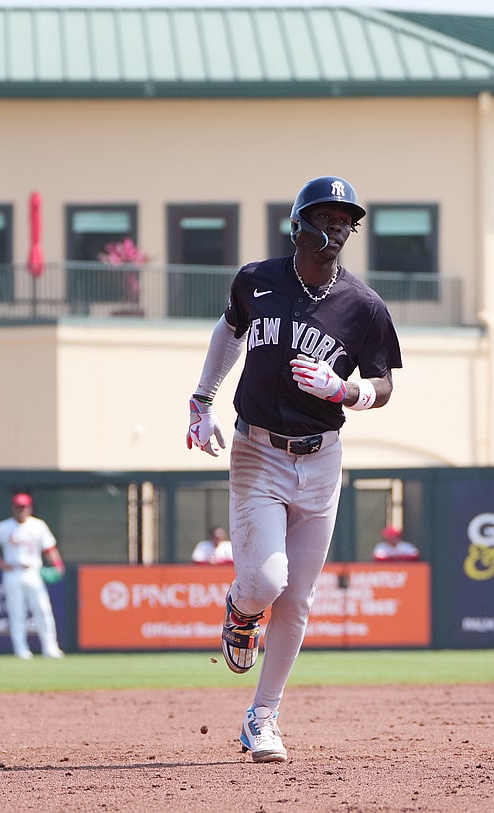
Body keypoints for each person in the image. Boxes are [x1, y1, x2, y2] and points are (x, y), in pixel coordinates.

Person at [186, 175, 402, 763]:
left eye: (345, 219)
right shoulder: (256, 280)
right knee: (266, 582)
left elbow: (384, 386)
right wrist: (202, 400)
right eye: (326, 215)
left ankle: (263, 717)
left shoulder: (363, 306)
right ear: (298, 223)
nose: (337, 227)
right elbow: (230, 331)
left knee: (299, 599)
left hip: (323, 457)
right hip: (257, 449)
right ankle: (241, 610)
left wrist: (346, 391)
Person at [0, 493, 66, 660]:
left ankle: (50, 647)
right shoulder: (4, 527)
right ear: (13, 508)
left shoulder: (38, 525)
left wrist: (58, 565)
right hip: (13, 572)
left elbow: (49, 548)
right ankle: (21, 649)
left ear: (30, 508)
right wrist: (0, 563)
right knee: (17, 612)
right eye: (18, 507)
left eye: (24, 507)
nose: (21, 510)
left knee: (43, 610)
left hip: (33, 571)